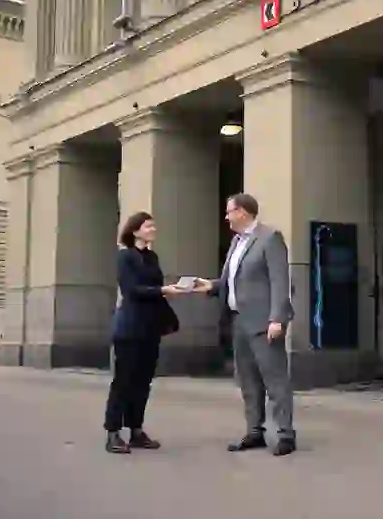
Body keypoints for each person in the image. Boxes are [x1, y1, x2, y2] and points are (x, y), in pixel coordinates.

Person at [193, 193, 297, 457]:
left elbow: (280, 282)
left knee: (275, 380)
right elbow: (233, 280)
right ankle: (254, 431)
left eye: (229, 211)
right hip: (239, 321)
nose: (226, 217)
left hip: (264, 323)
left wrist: (277, 318)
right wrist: (211, 286)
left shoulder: (270, 238)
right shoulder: (236, 241)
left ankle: (285, 434)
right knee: (248, 381)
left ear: (243, 212)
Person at [104, 211, 186, 455]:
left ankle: (136, 430)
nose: (153, 230)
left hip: (150, 328)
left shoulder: (152, 257)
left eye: (153, 226)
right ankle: (113, 432)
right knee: (123, 381)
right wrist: (163, 290)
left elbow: (154, 288)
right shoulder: (124, 256)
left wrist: (168, 291)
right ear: (135, 230)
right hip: (129, 327)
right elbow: (131, 290)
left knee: (143, 382)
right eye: (148, 226)